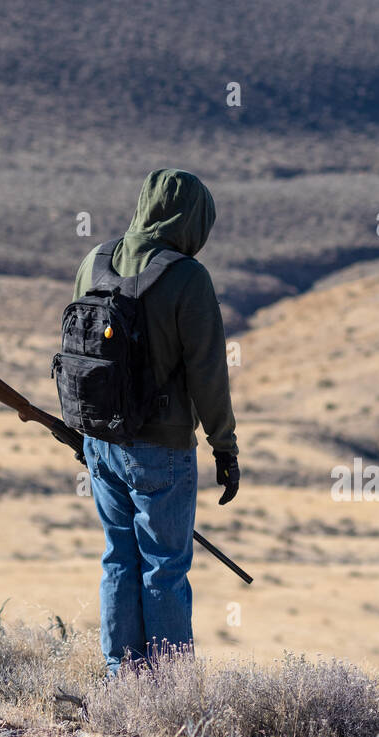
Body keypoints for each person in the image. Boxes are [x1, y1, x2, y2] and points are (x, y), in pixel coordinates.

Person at [73, 169, 239, 673]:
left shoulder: (93, 261)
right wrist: (224, 447)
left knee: (119, 560)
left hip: (100, 442)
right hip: (161, 449)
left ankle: (123, 680)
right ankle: (168, 694)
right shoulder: (187, 277)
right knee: (164, 568)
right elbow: (208, 371)